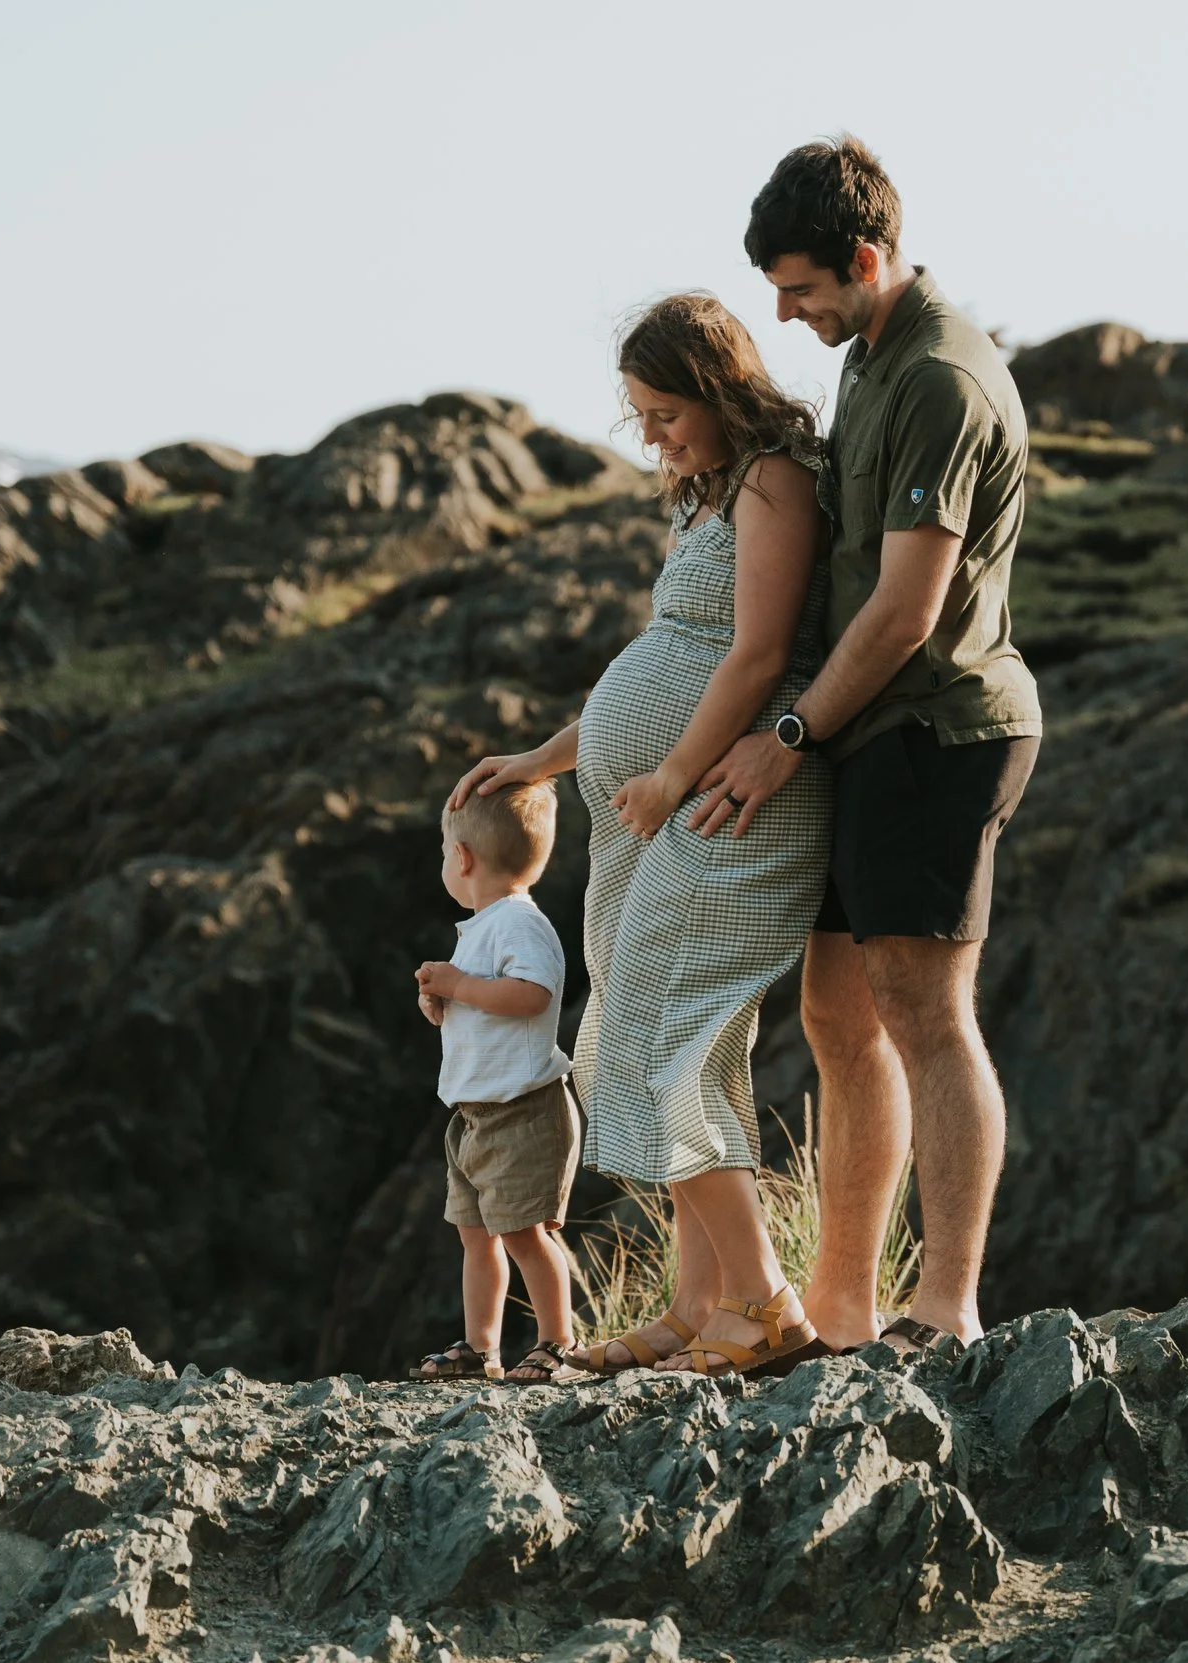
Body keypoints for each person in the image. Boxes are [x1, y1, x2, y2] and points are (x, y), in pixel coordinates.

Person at [688, 135, 1042, 1357]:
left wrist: (784, 734)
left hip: (938, 728)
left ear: (865, 258)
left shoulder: (940, 374)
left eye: (798, 289)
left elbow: (906, 608)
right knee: (837, 1015)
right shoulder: (875, 360)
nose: (784, 315)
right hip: (867, 735)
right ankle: (841, 1307)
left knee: (924, 1008)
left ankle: (945, 1302)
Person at [448, 294, 833, 1378]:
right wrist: (544, 759)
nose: (653, 434)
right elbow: (668, 653)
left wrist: (667, 771)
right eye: (640, 415)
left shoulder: (775, 480)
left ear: (719, 388)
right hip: (664, 806)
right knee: (648, 1038)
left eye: (667, 410)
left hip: (723, 796)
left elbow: (754, 656)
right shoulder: (707, 496)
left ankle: (762, 1305)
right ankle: (695, 1306)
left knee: (658, 1043)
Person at [407, 780, 580, 1384]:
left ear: (463, 858)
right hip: (474, 1115)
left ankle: (559, 1341)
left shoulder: (519, 923)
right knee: (476, 1236)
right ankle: (482, 1348)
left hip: (524, 1110)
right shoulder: (485, 927)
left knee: (525, 1235)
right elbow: (490, 1005)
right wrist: (445, 1004)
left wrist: (459, 987)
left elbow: (532, 996)